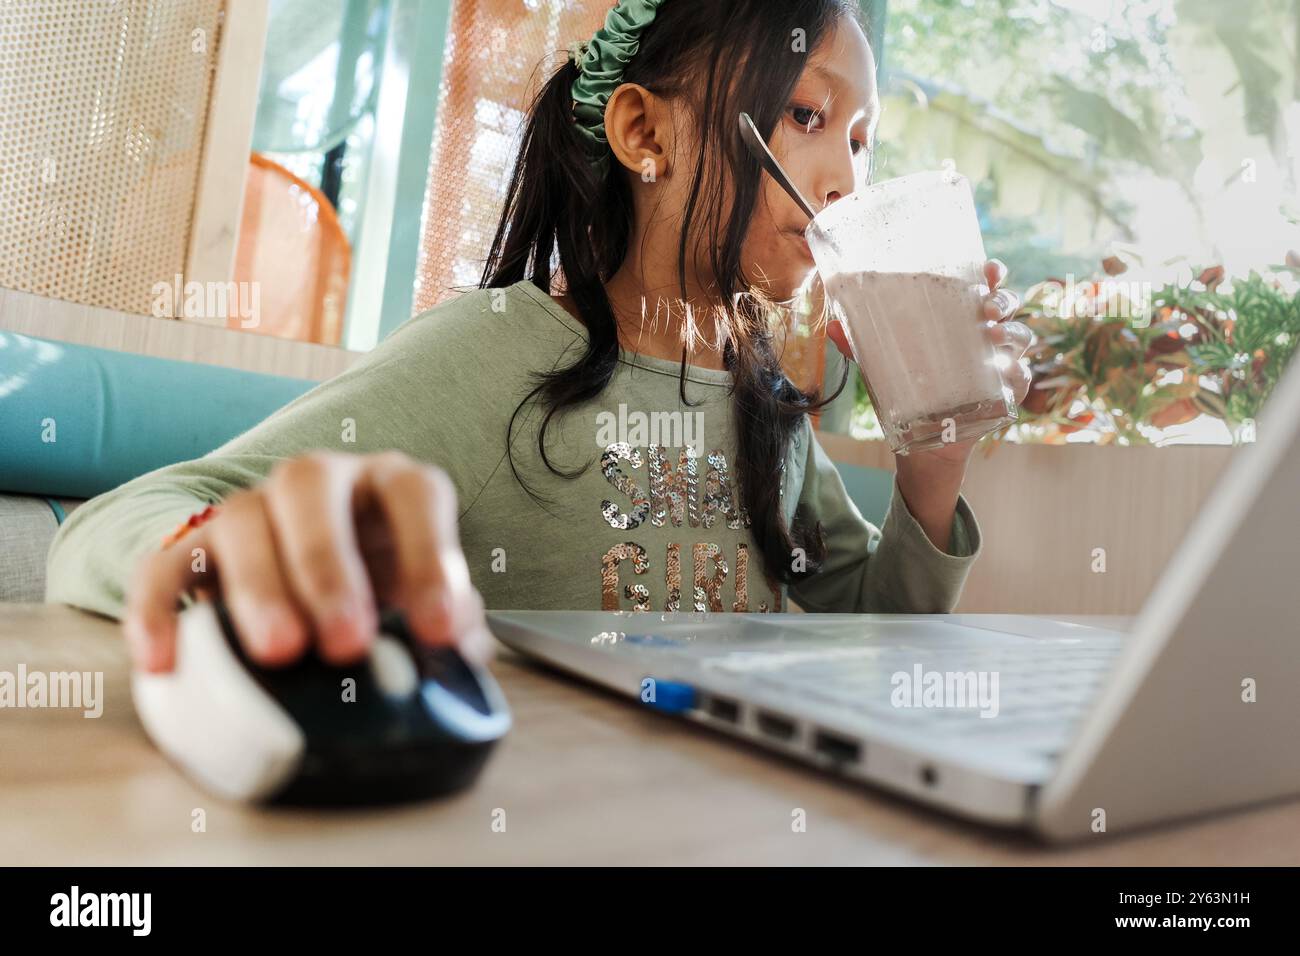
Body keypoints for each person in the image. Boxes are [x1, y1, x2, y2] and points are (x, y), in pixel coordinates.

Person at [46, 0, 1033, 673]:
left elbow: (871, 629)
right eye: (805, 114)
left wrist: (930, 467)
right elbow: (119, 523)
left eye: (859, 139)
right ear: (645, 135)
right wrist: (221, 550)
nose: (844, 181)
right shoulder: (491, 356)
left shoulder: (761, 394)